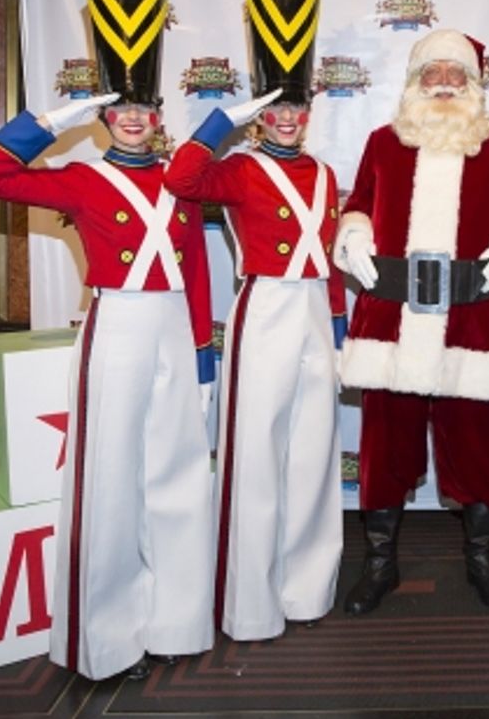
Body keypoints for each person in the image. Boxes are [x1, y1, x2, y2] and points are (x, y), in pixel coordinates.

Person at [0, 89, 217, 680]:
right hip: (119, 322)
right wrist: (50, 121)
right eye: (119, 109)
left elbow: (198, 270)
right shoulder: (81, 178)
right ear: (102, 119)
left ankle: (175, 622)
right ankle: (107, 641)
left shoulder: (182, 181)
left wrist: (203, 357)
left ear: (159, 120)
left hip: (177, 328)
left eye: (144, 109)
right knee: (108, 482)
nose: (132, 119)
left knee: (178, 477)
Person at [333, 28, 489, 616]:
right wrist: (355, 237)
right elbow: (359, 207)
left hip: (472, 321)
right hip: (393, 317)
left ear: (474, 85)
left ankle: (481, 560)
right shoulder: (382, 142)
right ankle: (379, 564)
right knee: (383, 451)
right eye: (433, 73)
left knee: (478, 449)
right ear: (414, 83)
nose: (445, 83)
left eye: (457, 74)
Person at [165, 89, 346, 642]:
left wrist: (338, 331)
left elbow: (333, 259)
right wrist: (221, 122)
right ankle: (250, 605)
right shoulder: (241, 167)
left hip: (316, 307)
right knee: (256, 455)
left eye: (296, 110)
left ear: (310, 116)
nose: (287, 119)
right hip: (265, 305)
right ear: (259, 119)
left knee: (315, 454)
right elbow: (182, 181)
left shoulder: (325, 172)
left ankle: (307, 589)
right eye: (274, 111)